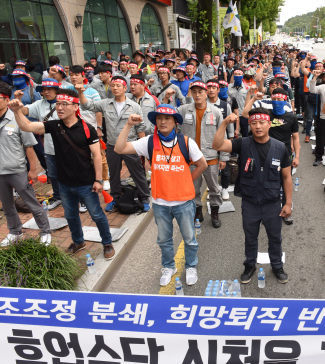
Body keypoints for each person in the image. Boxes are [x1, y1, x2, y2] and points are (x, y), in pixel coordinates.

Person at [9, 89, 115, 259]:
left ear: (75, 106)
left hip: (86, 184)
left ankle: (107, 243)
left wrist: (98, 180)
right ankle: (78, 241)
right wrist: (16, 111)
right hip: (64, 184)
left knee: (97, 215)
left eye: (64, 104)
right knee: (70, 215)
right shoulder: (54, 125)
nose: (59, 107)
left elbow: (97, 156)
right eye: (58, 103)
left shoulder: (87, 129)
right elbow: (27, 126)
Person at [114, 104, 207, 286]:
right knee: (164, 240)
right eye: (159, 118)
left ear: (175, 122)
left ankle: (190, 266)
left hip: (184, 201)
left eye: (167, 118)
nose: (162, 122)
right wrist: (128, 125)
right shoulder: (149, 142)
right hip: (160, 202)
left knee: (189, 238)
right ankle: (169, 266)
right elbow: (119, 149)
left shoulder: (186, 142)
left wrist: (187, 179)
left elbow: (202, 164)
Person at [213, 107, 291, 284]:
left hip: (272, 203)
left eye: (262, 122)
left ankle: (277, 266)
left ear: (269, 124)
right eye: (254, 122)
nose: (258, 126)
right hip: (250, 202)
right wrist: (225, 123)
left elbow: (286, 177)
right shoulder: (243, 143)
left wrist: (288, 203)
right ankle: (249, 265)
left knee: (275, 238)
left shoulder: (280, 148)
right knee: (250, 237)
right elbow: (217, 145)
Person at [0, 82, 51, 246]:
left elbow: (29, 147)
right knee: (7, 206)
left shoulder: (18, 120)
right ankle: (14, 231)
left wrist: (33, 171)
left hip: (17, 171)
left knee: (32, 203)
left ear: (6, 100)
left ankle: (45, 231)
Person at [76, 76, 151, 212]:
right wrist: (81, 93)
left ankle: (145, 197)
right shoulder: (105, 103)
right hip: (112, 146)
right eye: (113, 86)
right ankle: (115, 198)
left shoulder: (134, 106)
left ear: (125, 88)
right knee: (114, 174)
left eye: (118, 85)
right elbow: (87, 105)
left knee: (138, 173)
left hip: (130, 146)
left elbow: (140, 128)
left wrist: (144, 149)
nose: (115, 88)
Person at [242, 87, 299, 225]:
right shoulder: (265, 115)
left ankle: (287, 208)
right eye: (274, 99)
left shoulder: (291, 117)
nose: (277, 102)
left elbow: (296, 138)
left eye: (280, 99)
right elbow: (245, 114)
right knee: (268, 182)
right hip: (266, 153)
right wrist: (253, 98)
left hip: (285, 154)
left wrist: (297, 156)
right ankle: (264, 210)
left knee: (286, 180)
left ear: (285, 100)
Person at [176, 81, 228, 228]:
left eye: (200, 92)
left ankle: (215, 211)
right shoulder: (183, 110)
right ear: (191, 93)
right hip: (192, 159)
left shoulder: (216, 112)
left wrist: (223, 157)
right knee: (193, 188)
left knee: (214, 188)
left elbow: (221, 137)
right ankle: (198, 211)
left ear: (207, 94)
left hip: (211, 157)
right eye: (194, 92)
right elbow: (170, 119)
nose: (197, 95)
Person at [14, 78, 62, 209]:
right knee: (52, 174)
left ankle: (79, 199)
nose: (46, 92)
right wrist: (18, 101)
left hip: (67, 147)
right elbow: (24, 111)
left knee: (72, 173)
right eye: (44, 90)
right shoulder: (40, 104)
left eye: (49, 89)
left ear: (57, 90)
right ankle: (58, 197)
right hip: (50, 148)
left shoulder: (65, 103)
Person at [68, 66, 109, 192]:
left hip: (90, 128)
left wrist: (99, 127)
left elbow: (98, 111)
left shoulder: (92, 91)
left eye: (77, 74)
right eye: (71, 74)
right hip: (73, 130)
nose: (74, 77)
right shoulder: (68, 91)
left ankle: (105, 178)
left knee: (99, 154)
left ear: (83, 76)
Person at [206, 79, 236, 200]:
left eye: (214, 88)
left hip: (223, 140)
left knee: (224, 164)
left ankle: (224, 188)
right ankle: (213, 188)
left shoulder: (225, 105)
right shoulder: (203, 104)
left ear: (218, 90)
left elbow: (230, 124)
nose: (211, 90)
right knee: (209, 166)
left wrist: (231, 137)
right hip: (208, 140)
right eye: (209, 87)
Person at [228, 69, 249, 137]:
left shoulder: (247, 88)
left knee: (245, 134)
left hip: (243, 114)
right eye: (236, 74)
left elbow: (250, 100)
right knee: (232, 134)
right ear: (233, 75)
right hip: (232, 114)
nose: (237, 76)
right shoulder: (228, 87)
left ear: (242, 76)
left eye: (239, 74)